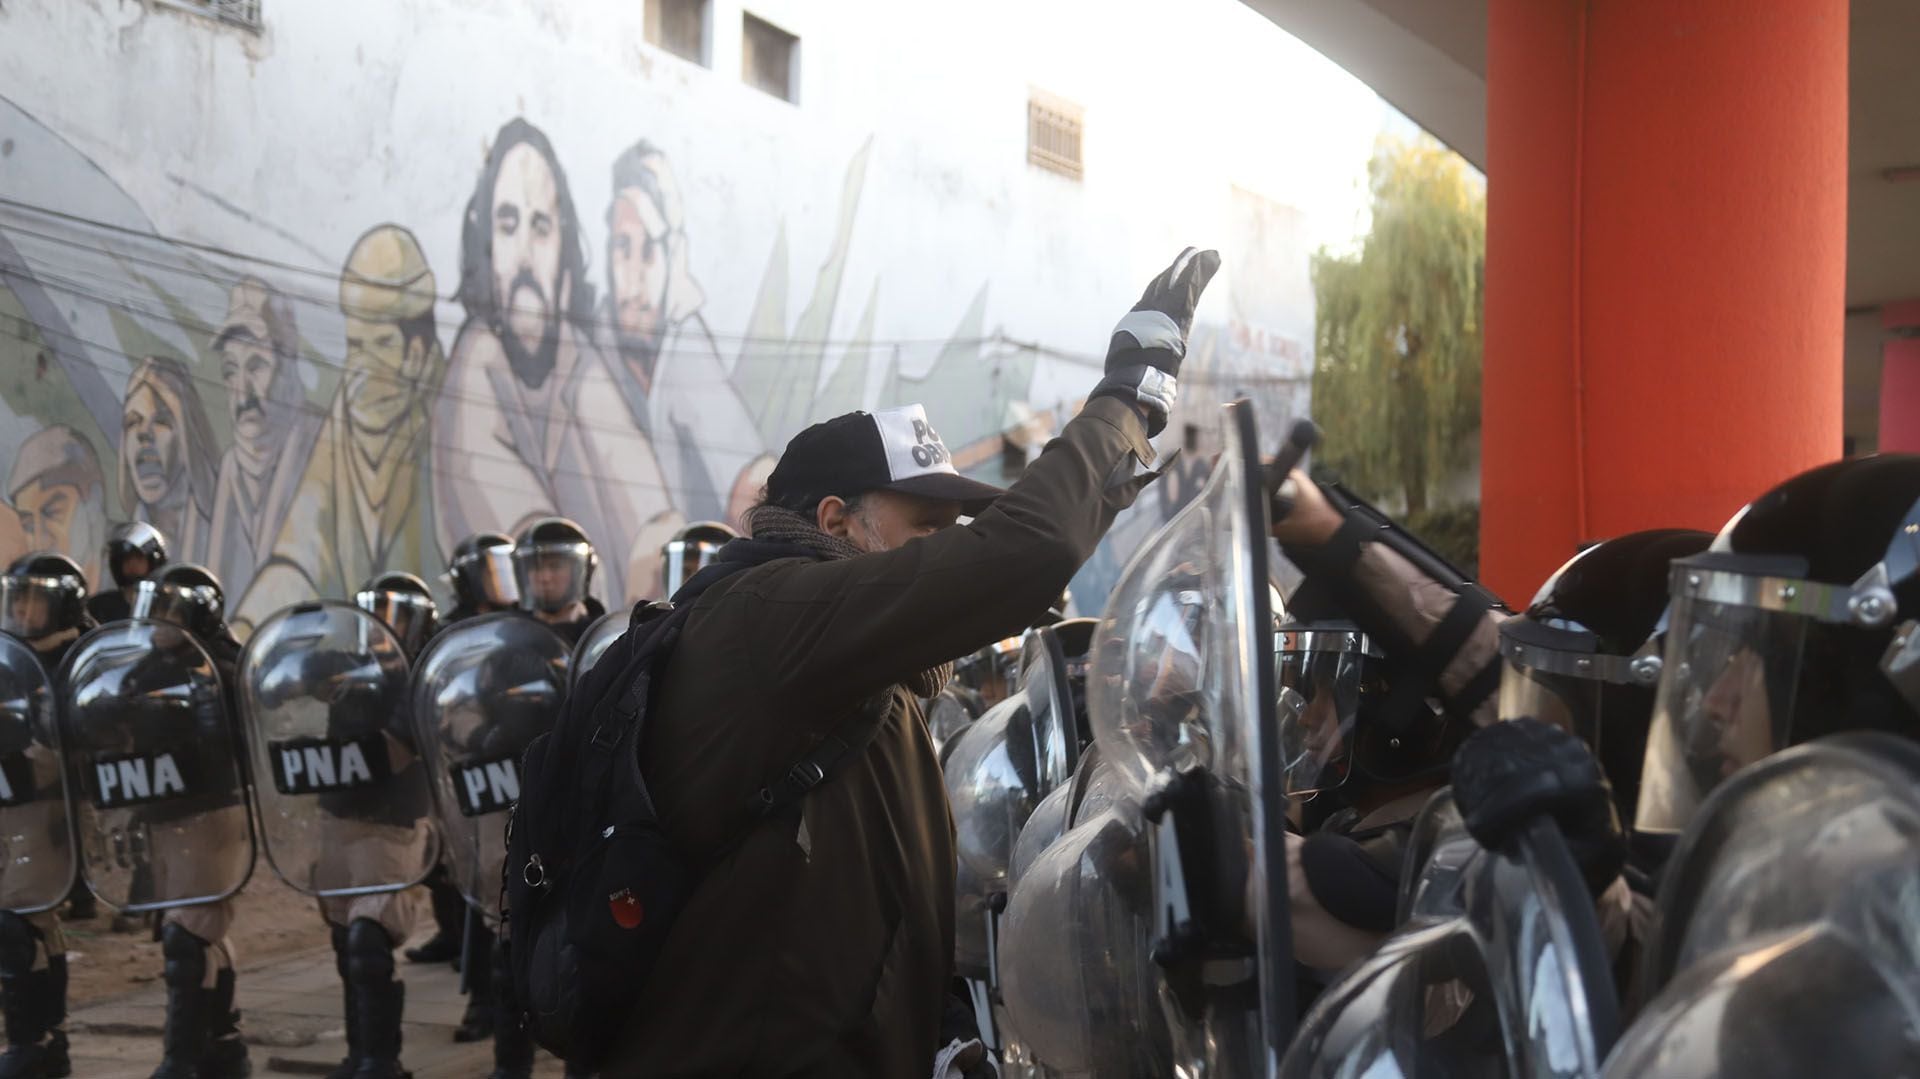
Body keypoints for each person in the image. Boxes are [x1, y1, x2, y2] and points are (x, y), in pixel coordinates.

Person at [594, 247, 1216, 1076]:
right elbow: (1020, 550)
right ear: (835, 519)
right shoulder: (773, 616)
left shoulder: (847, 660)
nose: (946, 549)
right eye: (926, 524)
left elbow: (856, 886)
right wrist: (1128, 401)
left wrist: (942, 1026)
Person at [1266, 469, 1507, 979]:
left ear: (1397, 706)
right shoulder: (1342, 822)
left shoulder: (1441, 850)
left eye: (1326, 695)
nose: (1305, 714)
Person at [231, 225, 447, 637]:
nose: (362, 370)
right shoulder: (346, 416)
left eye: (381, 344)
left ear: (417, 352)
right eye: (355, 347)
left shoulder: (452, 410)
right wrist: (246, 630)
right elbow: (301, 554)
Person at [299, 572, 440, 1079]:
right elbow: (290, 681)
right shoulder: (351, 666)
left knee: (369, 942)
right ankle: (358, 1055)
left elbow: (397, 745)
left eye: (397, 616)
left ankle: (383, 1063)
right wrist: (305, 648)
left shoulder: (422, 676)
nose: (384, 625)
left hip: (392, 825)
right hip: (337, 818)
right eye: (375, 612)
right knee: (344, 941)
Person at [129, 564, 251, 1079]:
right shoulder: (145, 669)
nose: (157, 623)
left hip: (210, 816)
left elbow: (230, 750)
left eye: (169, 612)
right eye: (152, 611)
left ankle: (179, 1060)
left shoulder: (221, 670)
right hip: (163, 817)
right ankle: (222, 1047)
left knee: (187, 939)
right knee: (194, 934)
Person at [0, 554, 92, 1078]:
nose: (21, 610)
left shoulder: (75, 660)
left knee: (16, 923)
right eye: (16, 598)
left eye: (33, 600)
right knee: (36, 925)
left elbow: (65, 747)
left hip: (47, 809)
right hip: (9, 802)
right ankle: (50, 1039)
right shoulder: (9, 656)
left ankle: (27, 1042)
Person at [206, 277, 324, 601]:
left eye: (256, 366)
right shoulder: (233, 465)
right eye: (230, 371)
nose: (242, 392)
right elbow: (214, 583)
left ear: (287, 365)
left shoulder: (320, 444)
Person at [510, 518, 604, 647]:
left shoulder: (602, 640)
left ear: (579, 571)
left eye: (555, 566)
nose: (544, 577)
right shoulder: (508, 637)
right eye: (535, 567)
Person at [86, 521, 168, 625]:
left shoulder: (165, 608)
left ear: (153, 561)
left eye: (138, 558)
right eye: (126, 558)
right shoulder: (99, 605)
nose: (132, 564)